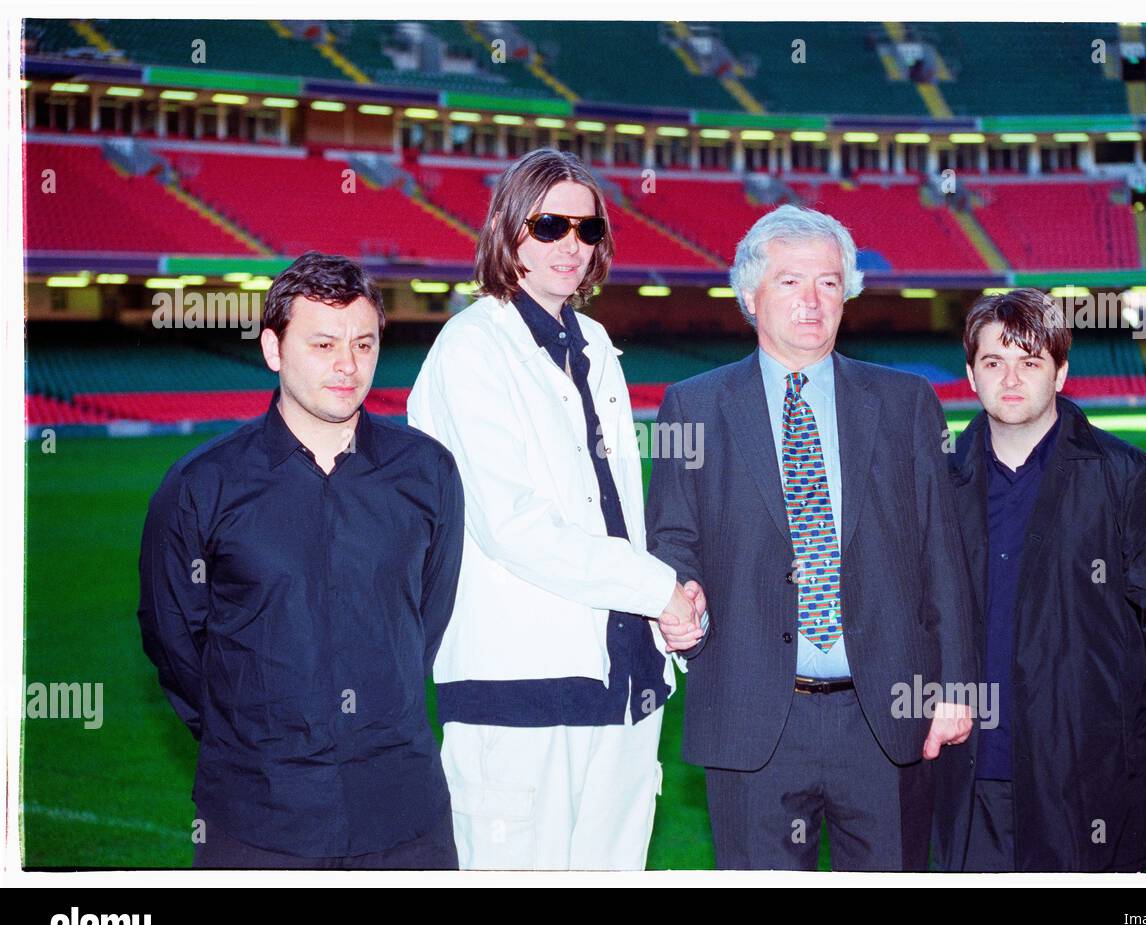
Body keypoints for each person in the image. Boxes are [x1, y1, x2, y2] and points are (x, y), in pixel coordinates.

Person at [645, 205, 978, 870]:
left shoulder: (906, 403)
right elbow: (674, 539)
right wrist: (677, 596)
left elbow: (943, 556)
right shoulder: (693, 406)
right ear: (751, 294)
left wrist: (957, 688)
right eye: (792, 282)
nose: (813, 301)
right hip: (751, 719)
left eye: (829, 283)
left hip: (885, 716)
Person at [406, 147, 704, 871]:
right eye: (550, 226)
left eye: (588, 229)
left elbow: (616, 514)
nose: (572, 245)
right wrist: (659, 588)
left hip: (624, 684)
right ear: (510, 230)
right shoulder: (471, 347)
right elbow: (513, 526)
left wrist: (666, 613)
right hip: (519, 688)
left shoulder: (594, 342)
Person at [138, 251, 464, 869]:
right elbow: (175, 641)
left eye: (363, 343)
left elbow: (425, 621)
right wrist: (249, 738)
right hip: (257, 820)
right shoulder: (200, 487)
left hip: (403, 816)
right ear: (273, 349)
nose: (347, 365)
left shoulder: (427, 472)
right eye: (322, 343)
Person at [932, 288, 1146, 872]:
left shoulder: (1124, 478)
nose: (1011, 379)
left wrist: (1108, 711)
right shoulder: (937, 485)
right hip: (967, 777)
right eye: (994, 362)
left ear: (1060, 372)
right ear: (970, 375)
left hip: (1083, 782)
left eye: (1030, 361)